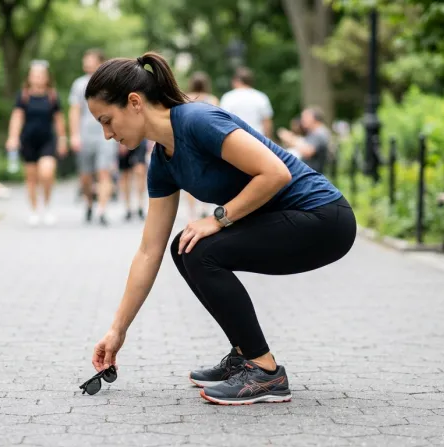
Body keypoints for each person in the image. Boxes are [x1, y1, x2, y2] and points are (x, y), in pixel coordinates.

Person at [85, 52, 357, 405]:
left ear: (134, 102)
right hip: (292, 221)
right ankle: (246, 354)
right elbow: (149, 250)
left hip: (323, 218)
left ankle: (265, 372)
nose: (107, 135)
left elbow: (276, 173)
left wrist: (217, 218)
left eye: (107, 120)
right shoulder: (162, 163)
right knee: (183, 247)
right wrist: (117, 330)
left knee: (200, 246)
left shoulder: (197, 121)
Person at [6, 60, 67, 226]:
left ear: (47, 78)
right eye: (35, 75)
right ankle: (34, 210)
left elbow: (59, 119)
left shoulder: (52, 96)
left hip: (47, 140)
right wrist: (12, 137)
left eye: (41, 75)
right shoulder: (24, 95)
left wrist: (62, 139)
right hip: (28, 141)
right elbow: (17, 117)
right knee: (31, 178)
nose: (38, 78)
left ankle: (47, 207)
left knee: (46, 173)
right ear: (30, 77)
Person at [69, 48, 117, 226]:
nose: (86, 62)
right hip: (85, 135)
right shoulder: (79, 84)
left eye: (90, 59)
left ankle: (102, 210)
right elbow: (74, 111)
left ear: (100, 62)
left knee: (105, 172)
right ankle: (89, 204)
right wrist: (74, 135)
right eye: (85, 59)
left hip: (106, 135)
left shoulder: (110, 84)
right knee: (86, 175)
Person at [183, 71, 218, 220]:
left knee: (190, 176)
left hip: (188, 141)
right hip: (207, 141)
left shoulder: (184, 98)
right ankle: (205, 207)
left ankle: (192, 211)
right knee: (208, 173)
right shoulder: (212, 99)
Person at [219, 67, 274, 139]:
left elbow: (223, 121)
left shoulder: (228, 97)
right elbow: (267, 122)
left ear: (236, 81)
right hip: (258, 139)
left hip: (235, 139)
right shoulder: (261, 97)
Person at [278, 106, 332, 174]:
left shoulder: (319, 133)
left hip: (313, 175)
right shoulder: (314, 132)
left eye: (305, 117)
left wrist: (290, 139)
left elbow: (308, 151)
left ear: (314, 119)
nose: (302, 120)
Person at [117, 139, 149, 221]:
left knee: (140, 170)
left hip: (141, 138)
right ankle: (128, 208)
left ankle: (140, 205)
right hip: (123, 137)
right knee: (125, 174)